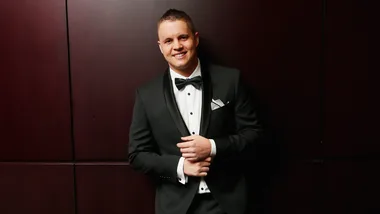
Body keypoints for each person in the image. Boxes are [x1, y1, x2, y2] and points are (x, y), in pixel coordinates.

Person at [128, 8, 262, 214]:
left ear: (195, 39)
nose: (177, 46)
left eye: (183, 37)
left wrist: (212, 147)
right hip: (175, 206)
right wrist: (180, 166)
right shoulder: (146, 95)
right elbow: (137, 155)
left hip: (227, 203)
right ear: (160, 47)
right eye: (169, 41)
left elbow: (254, 135)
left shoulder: (230, 81)